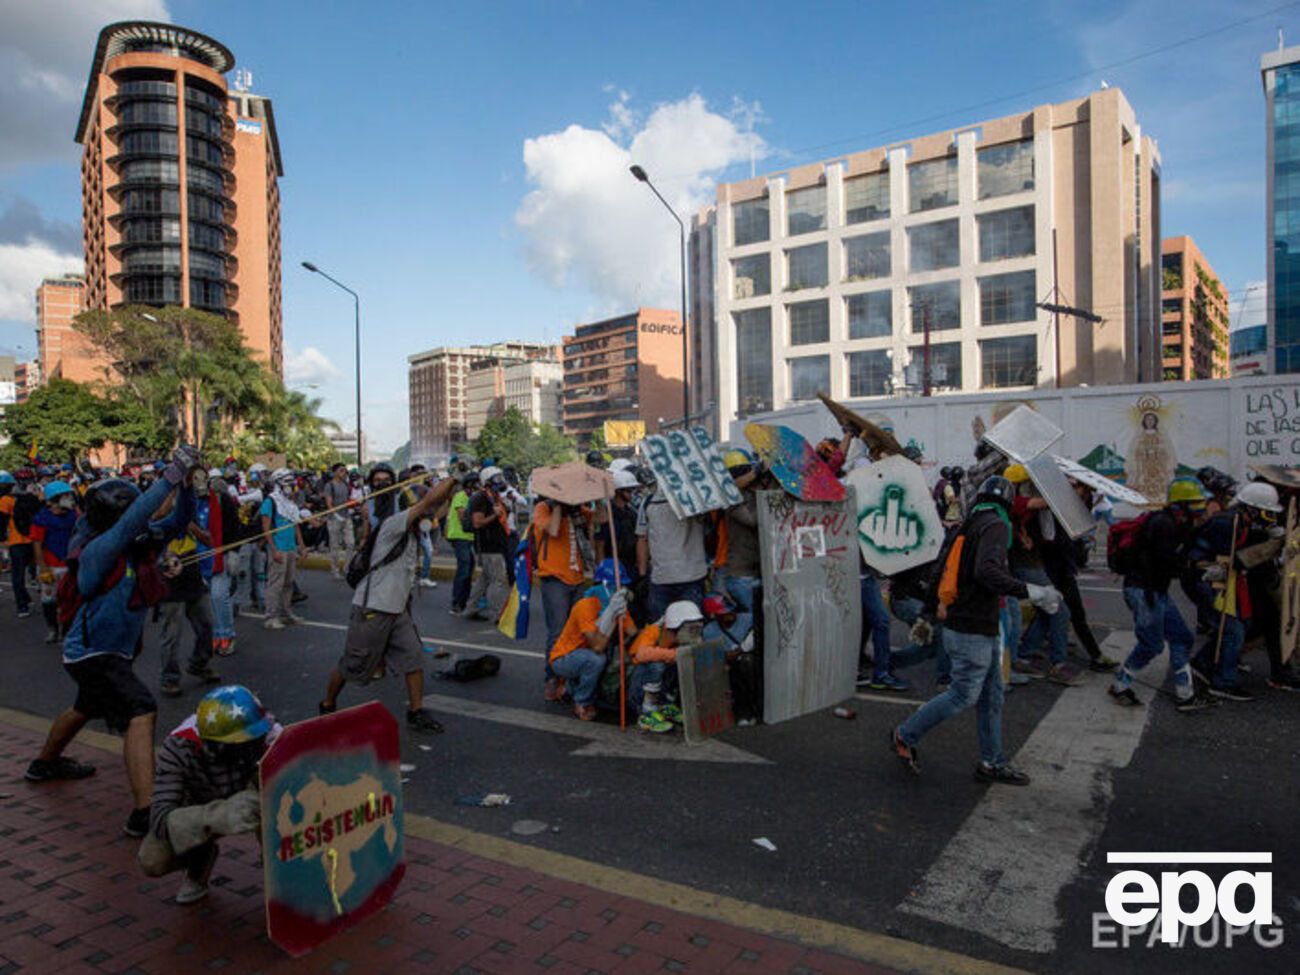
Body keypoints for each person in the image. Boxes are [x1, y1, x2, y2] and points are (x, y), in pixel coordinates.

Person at [24, 447, 201, 838]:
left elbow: (179, 520)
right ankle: (145, 813)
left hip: (105, 652)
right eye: (132, 510)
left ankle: (44, 764)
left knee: (85, 706)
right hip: (92, 653)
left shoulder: (137, 544)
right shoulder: (99, 549)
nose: (141, 516)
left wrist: (187, 484)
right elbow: (136, 521)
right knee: (141, 709)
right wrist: (172, 473)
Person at [891, 475, 1051, 785]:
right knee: (963, 694)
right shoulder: (995, 525)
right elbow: (986, 571)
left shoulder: (970, 522)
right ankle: (905, 733)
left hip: (972, 625)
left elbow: (941, 569)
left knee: (992, 696)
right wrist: (1030, 591)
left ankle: (992, 762)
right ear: (1005, 501)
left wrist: (928, 613)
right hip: (972, 626)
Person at [317, 474, 455, 731]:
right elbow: (429, 503)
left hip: (397, 611)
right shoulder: (394, 525)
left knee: (413, 658)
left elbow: (438, 506)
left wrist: (454, 487)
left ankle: (416, 712)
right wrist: (452, 477)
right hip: (373, 609)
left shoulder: (414, 533)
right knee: (353, 664)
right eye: (424, 513)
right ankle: (327, 704)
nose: (429, 519)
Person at [137, 685, 280, 904]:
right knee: (153, 860)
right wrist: (219, 816)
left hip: (251, 793)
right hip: (202, 802)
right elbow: (159, 819)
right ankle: (200, 857)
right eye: (240, 744)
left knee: (278, 801)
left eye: (254, 739)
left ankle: (279, 875)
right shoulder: (178, 747)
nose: (251, 747)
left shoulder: (266, 730)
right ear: (214, 745)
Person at [1109, 479, 1209, 709]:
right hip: (1144, 591)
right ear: (1179, 506)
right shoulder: (1163, 525)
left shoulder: (1177, 524)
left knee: (1182, 638)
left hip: (1155, 590)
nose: (1199, 511)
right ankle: (1120, 685)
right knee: (1151, 645)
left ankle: (1186, 693)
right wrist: (1193, 569)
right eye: (1194, 506)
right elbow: (1166, 562)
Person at [1187, 481, 1281, 702]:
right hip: (1204, 577)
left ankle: (1202, 664)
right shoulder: (1227, 523)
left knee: (1240, 624)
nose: (1267, 518)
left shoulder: (1240, 521)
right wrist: (1269, 545)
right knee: (1232, 629)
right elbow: (1232, 559)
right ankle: (1223, 683)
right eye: (1265, 513)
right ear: (1251, 508)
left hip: (1220, 576)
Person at [1004, 464, 1081, 686]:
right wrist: (1058, 484)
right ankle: (1058, 664)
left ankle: (1026, 652)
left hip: (1030, 563)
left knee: (1047, 612)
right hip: (1024, 565)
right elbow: (1043, 502)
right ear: (1021, 485)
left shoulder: (1016, 503)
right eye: (1031, 483)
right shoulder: (1016, 501)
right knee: (1059, 610)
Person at [548, 560, 633, 721]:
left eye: (623, 586)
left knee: (614, 658)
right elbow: (597, 647)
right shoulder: (586, 605)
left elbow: (632, 632)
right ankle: (582, 701)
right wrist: (611, 616)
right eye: (617, 586)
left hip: (584, 655)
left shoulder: (617, 603)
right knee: (596, 660)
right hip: (564, 658)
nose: (621, 590)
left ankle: (570, 688)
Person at [533, 489, 595, 699]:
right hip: (554, 579)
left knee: (576, 631)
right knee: (557, 631)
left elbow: (600, 519)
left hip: (577, 578)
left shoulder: (577, 511)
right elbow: (552, 530)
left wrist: (599, 498)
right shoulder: (544, 508)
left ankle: (570, 677)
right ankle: (551, 677)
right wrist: (559, 504)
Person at [627, 600, 704, 733]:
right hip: (636, 686)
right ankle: (647, 714)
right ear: (675, 627)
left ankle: (665, 705)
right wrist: (675, 654)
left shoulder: (681, 640)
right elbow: (642, 654)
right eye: (690, 627)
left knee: (677, 663)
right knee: (657, 665)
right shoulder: (654, 631)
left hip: (661, 689)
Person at [636, 482, 708, 622]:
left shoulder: (648, 503)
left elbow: (642, 539)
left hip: (661, 578)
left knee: (661, 629)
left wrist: (643, 574)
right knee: (691, 629)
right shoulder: (697, 498)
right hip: (691, 576)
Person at [30, 480, 80, 643]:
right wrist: (43, 568)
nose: (69, 499)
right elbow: (37, 544)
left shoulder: (74, 515)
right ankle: (53, 629)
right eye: (64, 496)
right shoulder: (41, 518)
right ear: (53, 500)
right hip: (50, 565)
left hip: (69, 565)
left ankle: (67, 631)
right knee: (49, 601)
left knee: (70, 601)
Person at [700, 592, 760, 725]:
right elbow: (711, 656)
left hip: (750, 663)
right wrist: (725, 658)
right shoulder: (709, 631)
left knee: (747, 664)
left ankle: (755, 710)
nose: (730, 615)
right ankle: (742, 713)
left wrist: (739, 651)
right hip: (729, 667)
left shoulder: (748, 618)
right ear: (715, 616)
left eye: (731, 611)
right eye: (724, 613)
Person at [464, 467, 513, 624]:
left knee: (485, 579)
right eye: (496, 479)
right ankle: (497, 614)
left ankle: (470, 608)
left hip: (495, 543)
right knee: (497, 580)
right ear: (487, 481)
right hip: (489, 546)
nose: (501, 481)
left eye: (501, 477)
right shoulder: (481, 498)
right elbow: (477, 523)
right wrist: (495, 515)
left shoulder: (493, 496)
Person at [260, 468, 305, 631]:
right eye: (287, 482)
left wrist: (301, 546)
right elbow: (266, 528)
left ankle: (286, 613)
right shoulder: (270, 502)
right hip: (278, 548)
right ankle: (271, 616)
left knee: (289, 582)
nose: (291, 486)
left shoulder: (290, 503)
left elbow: (295, 525)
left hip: (290, 547)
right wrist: (274, 550)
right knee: (275, 583)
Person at [0, 469, 39, 618]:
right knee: (33, 571)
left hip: (16, 541)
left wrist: (3, 538)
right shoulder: (35, 497)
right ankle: (29, 598)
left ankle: (22, 607)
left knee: (18, 576)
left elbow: (2, 522)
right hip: (33, 540)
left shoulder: (6, 501)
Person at [446, 471, 478, 615]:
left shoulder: (472, 498)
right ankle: (456, 603)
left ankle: (464, 601)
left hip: (468, 537)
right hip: (460, 536)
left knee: (469, 567)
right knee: (464, 569)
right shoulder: (461, 496)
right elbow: (462, 517)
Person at [322, 462, 355, 580]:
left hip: (346, 517)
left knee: (351, 543)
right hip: (334, 519)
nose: (344, 473)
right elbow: (329, 503)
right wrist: (336, 515)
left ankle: (347, 568)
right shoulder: (329, 486)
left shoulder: (346, 484)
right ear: (335, 472)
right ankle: (335, 569)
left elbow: (346, 500)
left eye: (345, 471)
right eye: (341, 470)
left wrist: (352, 505)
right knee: (335, 546)